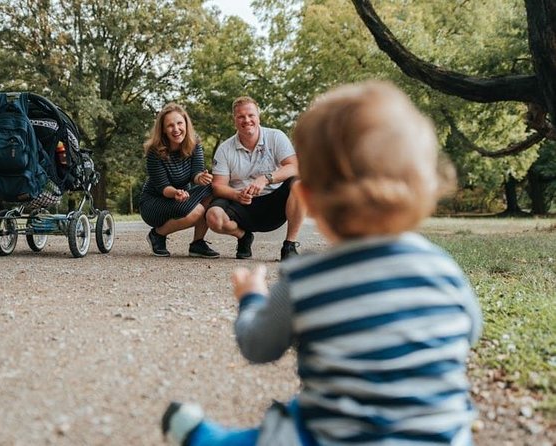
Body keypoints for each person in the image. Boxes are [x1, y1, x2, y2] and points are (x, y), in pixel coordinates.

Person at [161, 81, 483, 445]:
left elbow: (257, 346)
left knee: (283, 430)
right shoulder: (443, 269)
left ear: (309, 200)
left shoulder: (306, 279)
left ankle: (208, 439)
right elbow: (470, 330)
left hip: (333, 436)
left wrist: (252, 297)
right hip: (439, 438)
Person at [205, 96, 305, 261]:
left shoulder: (276, 136)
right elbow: (218, 186)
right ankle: (243, 236)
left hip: (275, 203)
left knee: (300, 183)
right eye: (241, 116)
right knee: (213, 217)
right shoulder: (224, 149)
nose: (247, 120)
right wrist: (237, 195)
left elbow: (294, 166)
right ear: (234, 120)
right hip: (242, 204)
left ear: (258, 117)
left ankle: (289, 246)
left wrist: (266, 178)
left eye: (251, 115)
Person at [140, 103, 219, 258]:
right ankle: (157, 235)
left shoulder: (194, 144)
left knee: (214, 186)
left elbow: (195, 173)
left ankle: (197, 243)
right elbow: (163, 187)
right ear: (163, 129)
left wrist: (200, 178)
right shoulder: (154, 151)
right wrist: (176, 192)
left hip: (183, 198)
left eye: (179, 123)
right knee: (196, 211)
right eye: (170, 125)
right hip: (154, 202)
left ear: (186, 124)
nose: (176, 129)